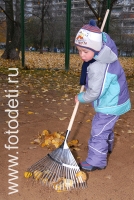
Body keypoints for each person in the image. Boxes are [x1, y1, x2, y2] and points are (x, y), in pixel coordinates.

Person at [74, 19, 131, 171]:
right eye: (79, 51)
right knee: (106, 126)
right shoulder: (104, 52)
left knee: (98, 130)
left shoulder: (99, 66)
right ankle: (106, 146)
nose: (81, 55)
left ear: (96, 48)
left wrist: (80, 97)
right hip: (115, 100)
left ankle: (96, 161)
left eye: (85, 51)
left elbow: (94, 92)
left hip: (110, 104)